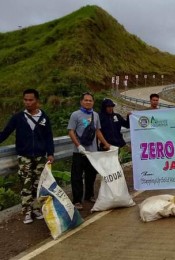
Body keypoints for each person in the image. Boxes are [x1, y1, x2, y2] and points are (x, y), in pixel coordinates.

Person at [0, 89, 54, 224]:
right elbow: (5, 133)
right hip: (24, 156)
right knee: (26, 183)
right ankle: (27, 211)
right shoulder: (18, 117)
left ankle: (36, 208)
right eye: (25, 100)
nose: (28, 103)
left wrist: (51, 153)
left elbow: (48, 136)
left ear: (37, 101)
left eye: (31, 100)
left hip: (41, 156)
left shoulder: (44, 117)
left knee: (38, 184)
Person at [67, 92, 110, 210]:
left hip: (93, 152)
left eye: (90, 100)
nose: (88, 102)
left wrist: (106, 144)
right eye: (85, 100)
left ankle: (89, 196)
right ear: (81, 101)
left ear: (93, 102)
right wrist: (78, 145)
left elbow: (98, 131)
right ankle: (77, 200)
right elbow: (71, 131)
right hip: (79, 152)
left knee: (91, 175)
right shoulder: (75, 115)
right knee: (76, 177)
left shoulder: (95, 115)